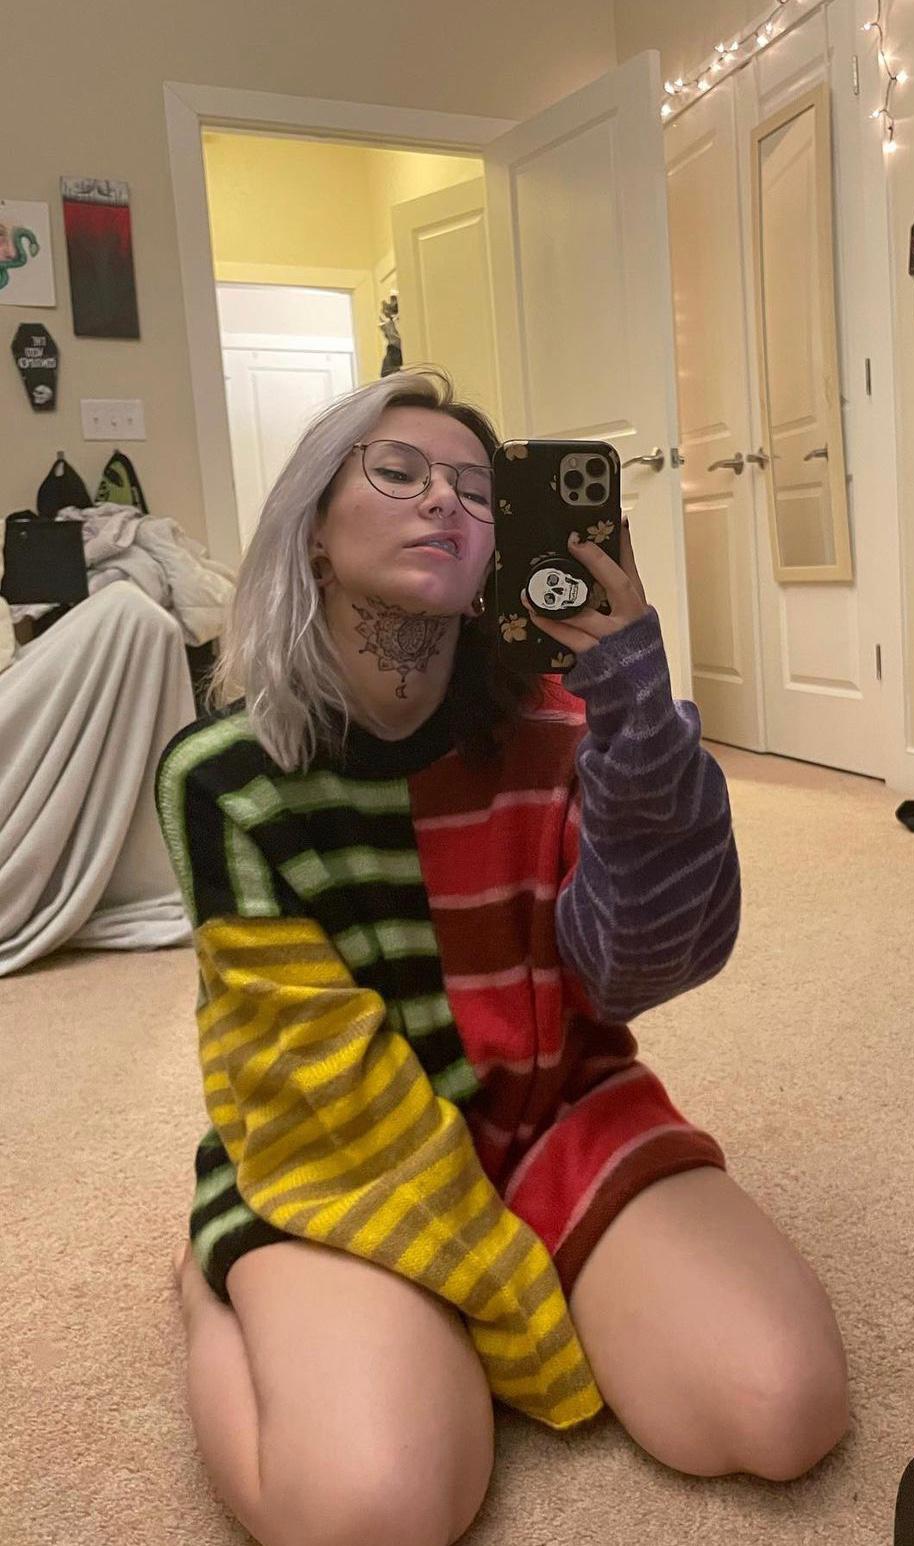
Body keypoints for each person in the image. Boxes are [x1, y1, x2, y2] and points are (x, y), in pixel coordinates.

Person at [156, 366, 848, 1546]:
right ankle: (208, 1282)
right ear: (313, 527)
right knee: (374, 1513)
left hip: (554, 1108)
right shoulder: (222, 776)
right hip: (346, 1148)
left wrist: (637, 712)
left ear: (496, 551)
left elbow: (637, 970)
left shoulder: (565, 727)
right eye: (399, 471)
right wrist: (515, 1292)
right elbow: (321, 1078)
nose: (446, 499)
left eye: (478, 491)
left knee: (783, 1409)